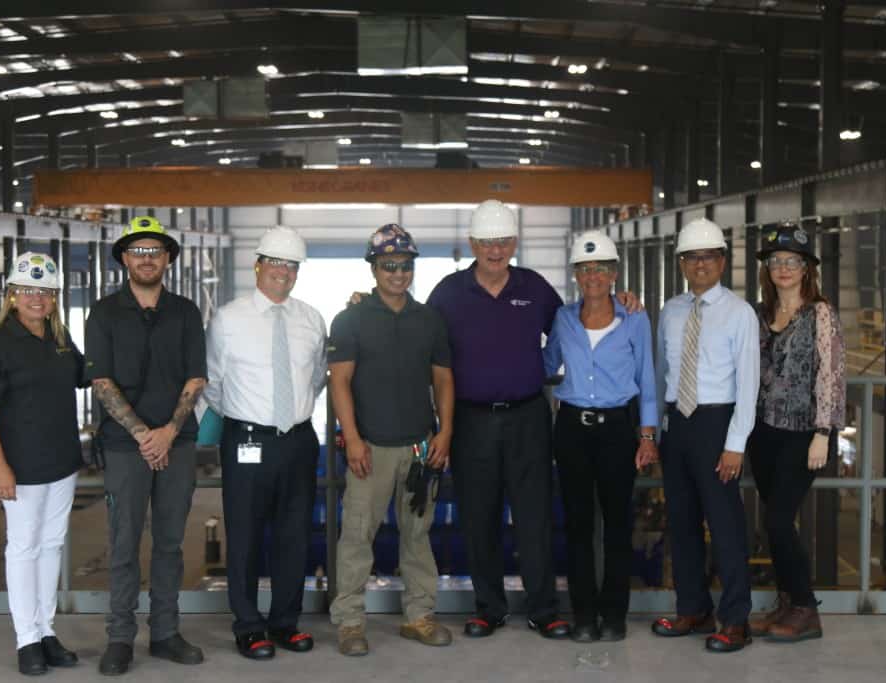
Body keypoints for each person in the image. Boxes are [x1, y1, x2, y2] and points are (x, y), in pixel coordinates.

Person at [425, 200, 640, 640]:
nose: (495, 249)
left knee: (534, 515)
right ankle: (489, 608)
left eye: (503, 241)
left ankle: (544, 609)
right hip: (470, 421)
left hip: (528, 416)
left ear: (514, 243)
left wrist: (619, 301)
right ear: (472, 244)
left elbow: (577, 324)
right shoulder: (447, 293)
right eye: (486, 241)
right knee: (478, 515)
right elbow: (423, 347)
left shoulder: (535, 288)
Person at [86, 216, 207, 676]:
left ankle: (165, 633)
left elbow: (197, 376)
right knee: (123, 543)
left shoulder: (186, 311)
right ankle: (120, 638)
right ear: (123, 259)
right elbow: (101, 381)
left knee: (171, 543)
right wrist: (143, 435)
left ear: (169, 258)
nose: (147, 258)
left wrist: (168, 433)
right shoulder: (103, 312)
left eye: (155, 250)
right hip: (123, 446)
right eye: (138, 251)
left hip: (176, 443)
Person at [328, 224, 455, 656]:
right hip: (372, 450)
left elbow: (443, 378)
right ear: (374, 268)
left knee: (418, 536)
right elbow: (339, 382)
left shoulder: (429, 320)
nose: (398, 273)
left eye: (405, 266)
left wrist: (445, 431)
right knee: (357, 537)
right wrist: (353, 439)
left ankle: (418, 616)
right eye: (389, 266)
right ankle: (349, 623)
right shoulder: (351, 320)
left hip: (420, 449)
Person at [204, 227, 326, 660]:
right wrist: (248, 418)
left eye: (291, 266)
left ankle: (284, 623)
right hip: (247, 441)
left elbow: (316, 378)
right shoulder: (228, 318)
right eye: (275, 263)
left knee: (294, 535)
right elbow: (213, 384)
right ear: (257, 265)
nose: (283, 273)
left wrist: (287, 418)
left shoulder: (311, 319)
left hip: (298, 439)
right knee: (246, 536)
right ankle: (249, 626)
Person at [650, 218, 759, 653]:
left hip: (718, 425)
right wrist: (657, 429)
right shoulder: (672, 311)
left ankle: (736, 620)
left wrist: (735, 445)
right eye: (692, 257)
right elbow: (662, 374)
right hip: (677, 424)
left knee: (726, 526)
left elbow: (748, 385)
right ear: (681, 263)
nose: (700, 264)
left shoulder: (739, 313)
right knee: (681, 523)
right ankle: (692, 608)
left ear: (723, 261)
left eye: (708, 256)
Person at [543, 232, 658, 643]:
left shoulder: (635, 319)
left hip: (617, 431)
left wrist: (647, 435)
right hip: (572, 428)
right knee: (577, 525)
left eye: (600, 269)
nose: (592, 276)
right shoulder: (563, 319)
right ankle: (584, 616)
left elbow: (647, 377)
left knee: (616, 525)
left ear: (613, 274)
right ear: (576, 275)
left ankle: (614, 616)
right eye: (585, 269)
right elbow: (546, 361)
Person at [0, 253, 83, 676]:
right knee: (23, 547)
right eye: (28, 290)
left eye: (46, 292)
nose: (37, 299)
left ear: (54, 298)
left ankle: (46, 629)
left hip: (62, 461)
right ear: (12, 295)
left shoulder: (60, 339)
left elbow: (87, 375)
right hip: (21, 465)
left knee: (52, 545)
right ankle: (27, 640)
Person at [747, 223, 845, 642]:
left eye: (792, 261)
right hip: (763, 432)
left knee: (779, 519)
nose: (783, 268)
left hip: (804, 434)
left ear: (806, 269)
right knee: (774, 522)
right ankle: (787, 602)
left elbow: (831, 374)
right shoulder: (758, 314)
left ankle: (806, 608)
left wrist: (824, 431)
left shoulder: (819, 312)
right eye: (776, 261)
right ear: (767, 269)